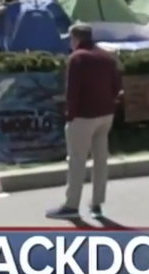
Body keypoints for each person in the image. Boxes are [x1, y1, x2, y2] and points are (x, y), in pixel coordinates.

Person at [47, 24, 122, 220]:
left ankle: (71, 205)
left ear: (76, 38)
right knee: (100, 161)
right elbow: (117, 86)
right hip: (105, 115)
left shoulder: (77, 58)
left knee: (77, 161)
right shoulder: (107, 57)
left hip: (83, 117)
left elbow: (73, 91)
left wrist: (70, 114)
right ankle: (97, 204)